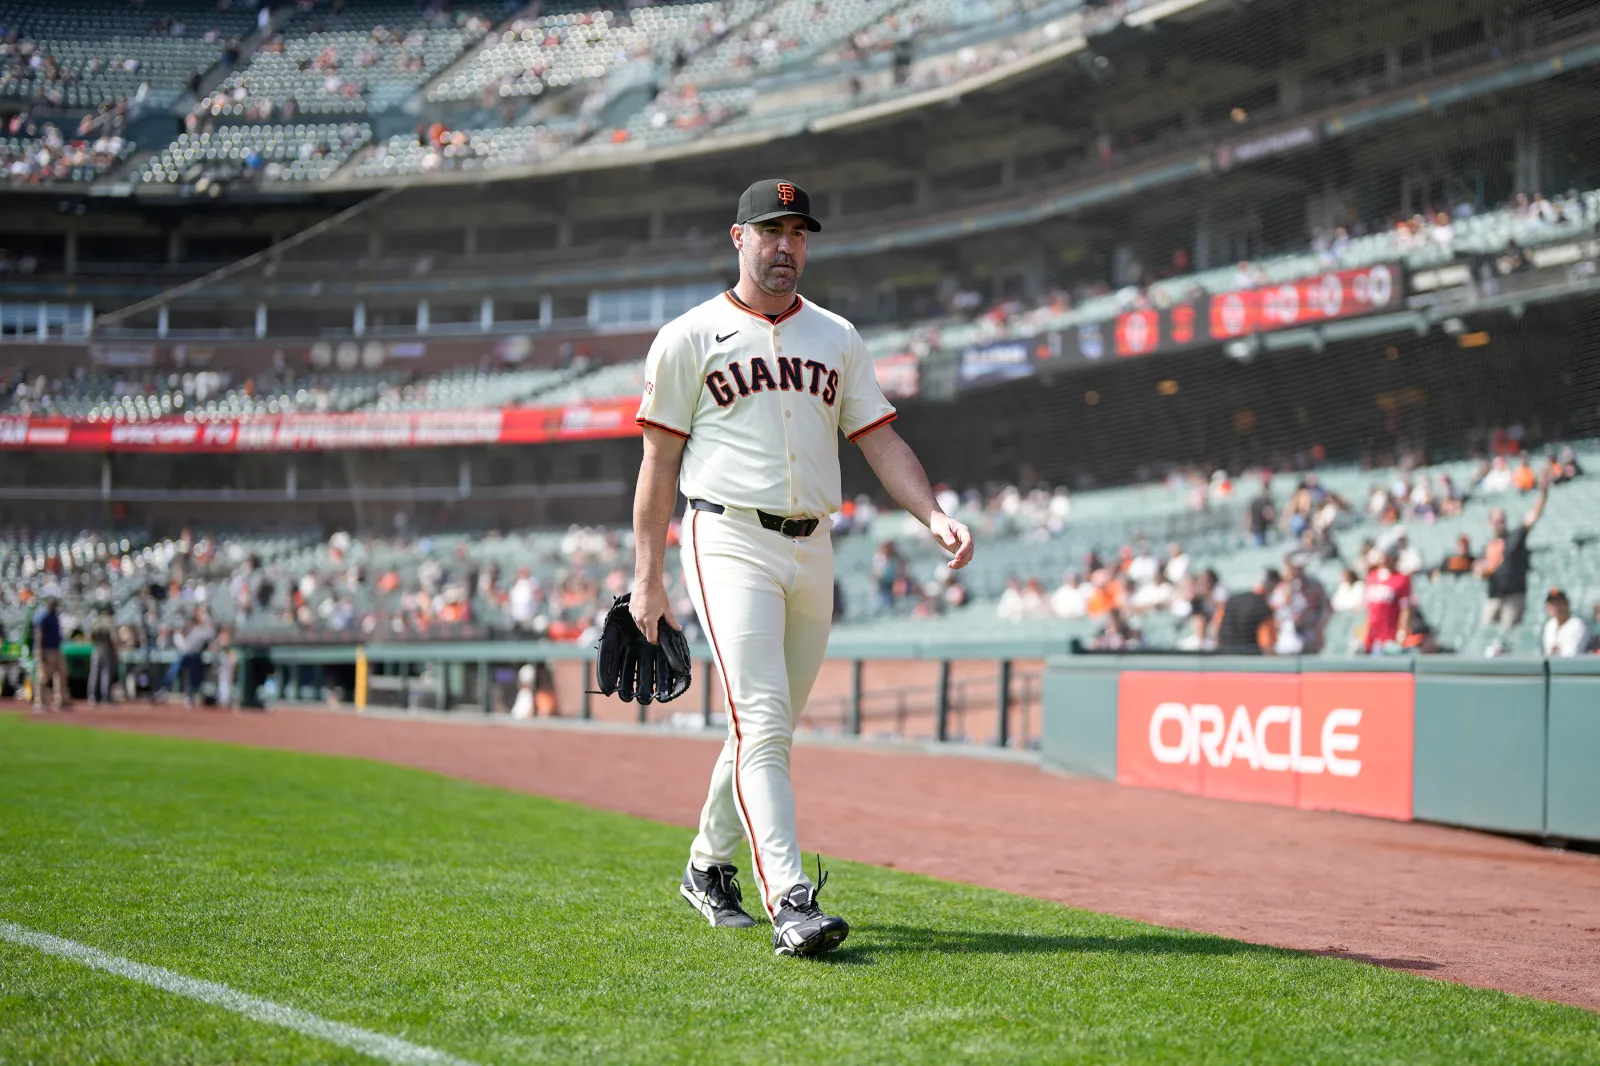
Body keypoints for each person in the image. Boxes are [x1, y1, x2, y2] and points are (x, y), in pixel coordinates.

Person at [631, 178, 974, 958]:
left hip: (812, 543)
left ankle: (705, 866)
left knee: (765, 723)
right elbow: (657, 465)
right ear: (738, 238)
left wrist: (934, 514)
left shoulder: (838, 336)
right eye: (772, 230)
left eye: (800, 232)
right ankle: (789, 899)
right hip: (727, 538)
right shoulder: (688, 335)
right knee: (763, 720)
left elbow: (881, 441)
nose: (787, 245)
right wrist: (649, 575)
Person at [1475, 468, 1550, 652]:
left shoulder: (1515, 536)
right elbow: (1480, 569)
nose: (1499, 522)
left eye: (1502, 518)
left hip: (1514, 595)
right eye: (1496, 519)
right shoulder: (1489, 545)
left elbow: (1532, 517)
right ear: (1490, 522)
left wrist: (1543, 494)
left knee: (1508, 637)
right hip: (1494, 595)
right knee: (1485, 635)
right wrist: (1481, 570)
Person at [1213, 570, 1279, 654]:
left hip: (1225, 657)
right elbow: (1267, 642)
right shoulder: (1264, 608)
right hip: (1250, 660)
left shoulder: (1231, 601)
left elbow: (1217, 626)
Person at [1362, 546, 1413, 655]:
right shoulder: (1372, 577)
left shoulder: (1401, 579)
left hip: (1389, 635)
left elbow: (1405, 609)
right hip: (1371, 635)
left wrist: (1401, 632)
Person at [31, 597, 70, 711]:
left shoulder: (54, 616)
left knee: (62, 673)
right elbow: (39, 635)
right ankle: (40, 701)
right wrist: (40, 651)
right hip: (45, 649)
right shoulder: (43, 616)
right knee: (43, 676)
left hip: (56, 649)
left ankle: (60, 699)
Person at [1541, 589, 1589, 657]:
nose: (1555, 608)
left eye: (1558, 603)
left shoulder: (1577, 624)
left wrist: (1557, 650)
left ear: (1567, 604)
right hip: (1553, 665)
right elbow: (1548, 652)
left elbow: (1572, 654)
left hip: (1574, 666)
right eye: (1552, 604)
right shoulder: (1550, 625)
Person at [88, 607, 118, 705]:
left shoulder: (97, 621)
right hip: (106, 649)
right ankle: (106, 697)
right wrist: (116, 653)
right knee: (106, 674)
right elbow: (113, 638)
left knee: (94, 673)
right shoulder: (109, 621)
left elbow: (90, 636)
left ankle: (92, 697)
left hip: (96, 649)